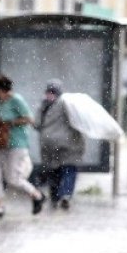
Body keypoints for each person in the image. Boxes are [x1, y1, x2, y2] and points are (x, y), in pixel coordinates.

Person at [0, 74, 45, 218]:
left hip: (16, 142)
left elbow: (29, 119)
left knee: (12, 178)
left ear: (1, 88)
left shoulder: (16, 100)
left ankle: (36, 195)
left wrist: (10, 123)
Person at [34, 80, 84, 210]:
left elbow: (37, 124)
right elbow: (78, 120)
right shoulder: (67, 104)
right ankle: (65, 195)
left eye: (52, 92)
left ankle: (56, 197)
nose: (50, 95)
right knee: (68, 169)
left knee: (55, 170)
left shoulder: (44, 106)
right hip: (68, 143)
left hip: (50, 144)